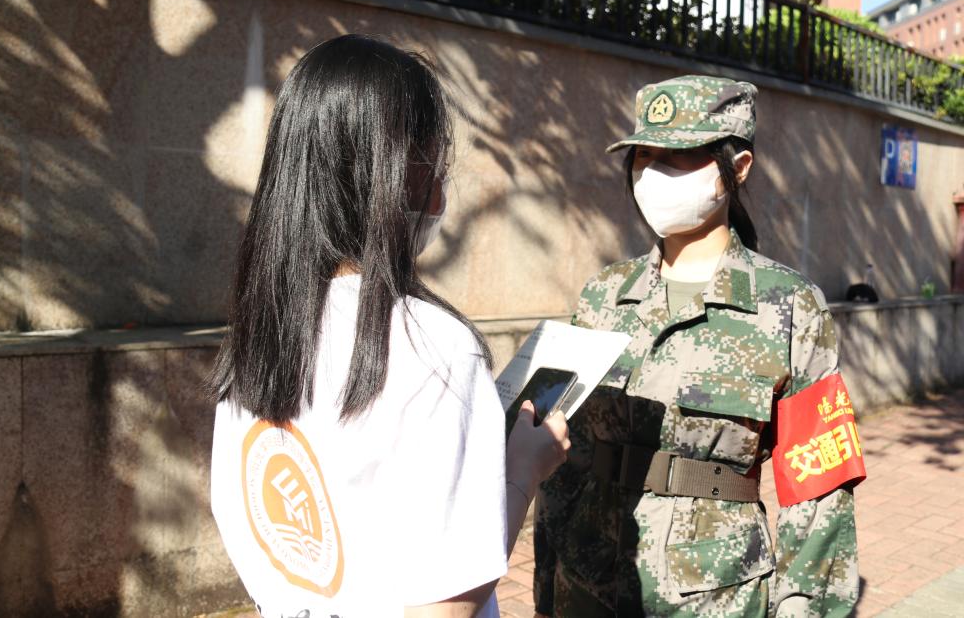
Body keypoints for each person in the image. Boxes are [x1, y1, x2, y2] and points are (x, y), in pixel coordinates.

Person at [207, 34, 568, 618]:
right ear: (394, 173)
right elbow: (446, 605)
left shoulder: (260, 334)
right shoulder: (437, 350)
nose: (442, 193)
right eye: (434, 165)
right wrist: (523, 470)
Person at [533, 75, 866, 617]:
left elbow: (819, 489)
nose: (653, 173)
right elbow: (564, 458)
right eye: (644, 155)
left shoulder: (789, 306)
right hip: (587, 584)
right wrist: (547, 587)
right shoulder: (603, 295)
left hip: (715, 595)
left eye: (679, 156)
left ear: (739, 167)